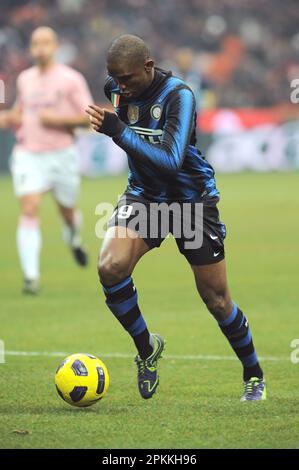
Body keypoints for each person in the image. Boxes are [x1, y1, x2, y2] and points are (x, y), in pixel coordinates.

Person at [86, 34, 266, 402]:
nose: (121, 87)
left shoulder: (179, 96)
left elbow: (170, 162)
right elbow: (117, 93)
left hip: (191, 201)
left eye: (129, 79)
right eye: (115, 79)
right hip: (145, 198)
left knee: (216, 299)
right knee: (110, 267)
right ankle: (146, 347)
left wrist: (117, 131)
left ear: (149, 67)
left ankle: (253, 373)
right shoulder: (118, 89)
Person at [0, 27, 92, 294]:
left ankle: (74, 240)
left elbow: (88, 117)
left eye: (46, 43)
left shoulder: (71, 79)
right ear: (31, 48)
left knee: (67, 212)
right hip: (29, 153)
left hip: (62, 154)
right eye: (36, 43)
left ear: (55, 46)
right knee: (29, 207)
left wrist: (58, 120)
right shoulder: (25, 79)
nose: (40, 48)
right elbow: (21, 111)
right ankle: (31, 277)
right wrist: (9, 117)